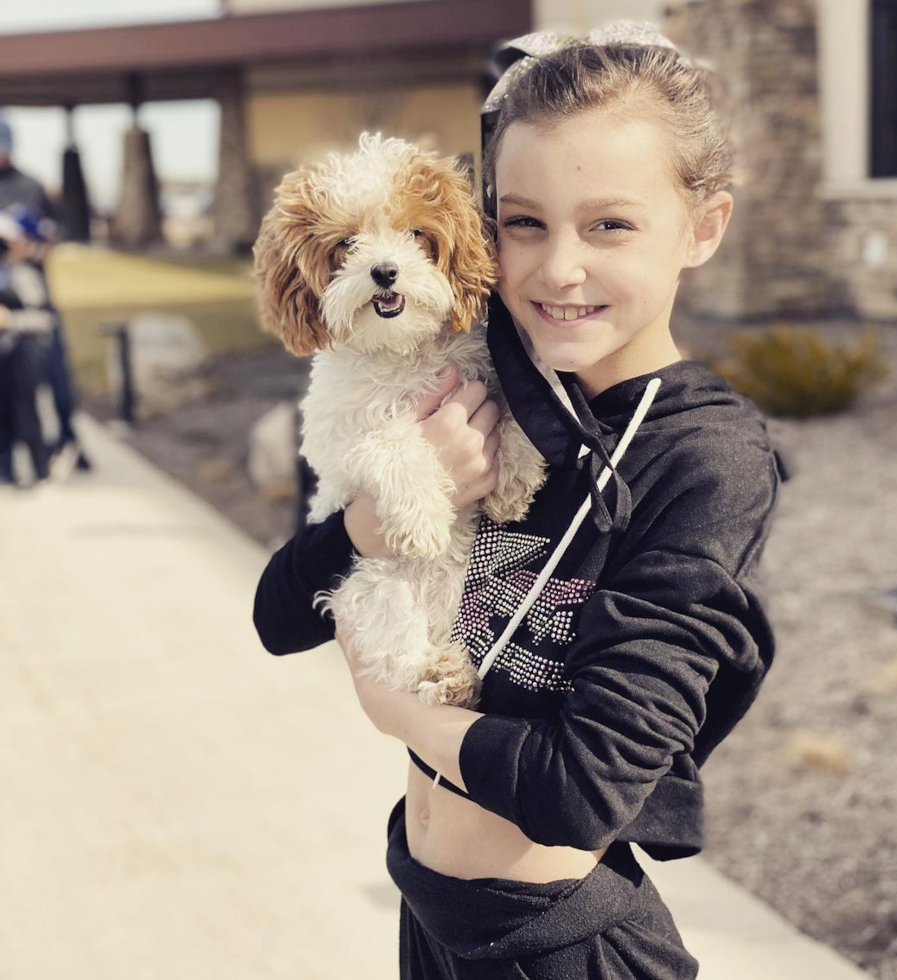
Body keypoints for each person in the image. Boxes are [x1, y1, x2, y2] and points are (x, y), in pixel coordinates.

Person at [253, 22, 785, 979]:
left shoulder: (705, 459)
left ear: (702, 227)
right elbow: (280, 613)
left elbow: (583, 789)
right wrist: (378, 518)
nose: (557, 269)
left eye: (611, 224)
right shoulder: (493, 381)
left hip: (561, 946)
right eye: (525, 222)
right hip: (430, 913)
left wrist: (396, 710)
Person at [0, 116, 91, 477]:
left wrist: (34, 247)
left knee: (56, 375)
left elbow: (60, 229)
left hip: (34, 299)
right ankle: (8, 461)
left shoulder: (30, 185)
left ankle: (68, 440)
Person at [0, 211, 56, 486]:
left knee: (26, 413)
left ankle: (40, 470)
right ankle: (5, 472)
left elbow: (45, 319)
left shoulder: (23, 275)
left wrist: (11, 320)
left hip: (21, 353)